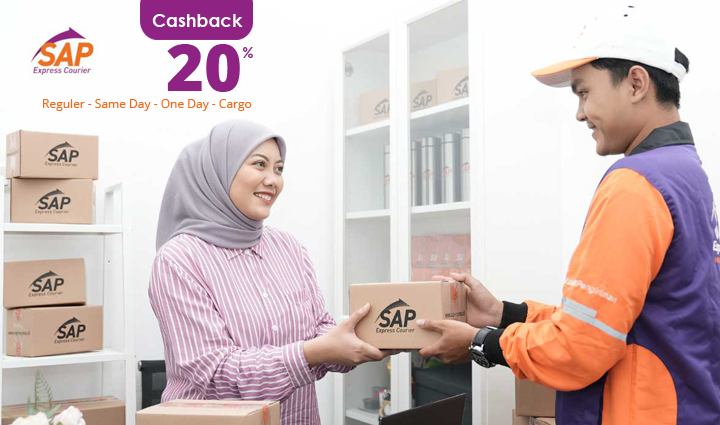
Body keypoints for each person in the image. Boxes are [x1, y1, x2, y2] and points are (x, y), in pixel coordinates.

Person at [417, 5, 720, 424]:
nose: (579, 113)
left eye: (583, 92)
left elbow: (580, 349)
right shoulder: (686, 171)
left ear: (636, 83)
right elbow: (616, 324)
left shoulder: (635, 184)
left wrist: (481, 342)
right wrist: (504, 314)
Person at [149, 120, 389, 424]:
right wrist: (313, 353)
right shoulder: (179, 259)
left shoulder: (288, 247)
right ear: (219, 171)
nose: (273, 180)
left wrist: (372, 336)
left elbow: (319, 328)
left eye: (279, 168)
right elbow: (216, 376)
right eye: (259, 164)